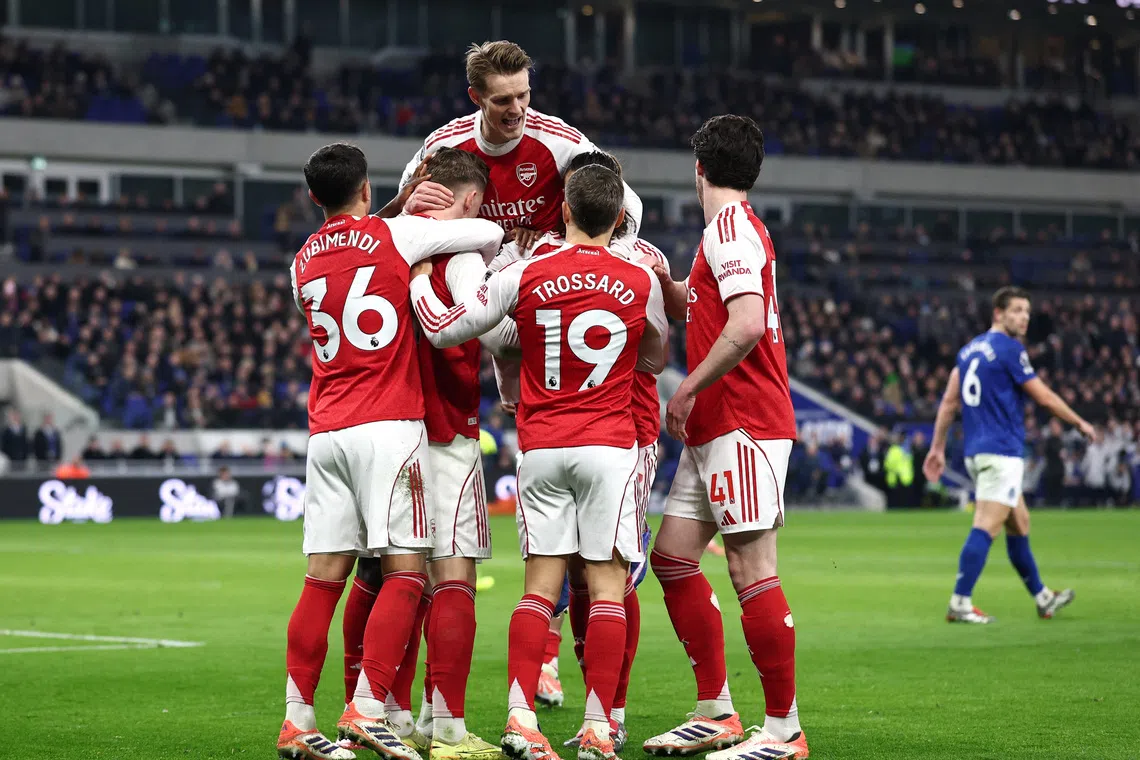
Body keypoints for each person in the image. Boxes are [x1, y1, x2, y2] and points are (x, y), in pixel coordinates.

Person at [410, 164, 667, 760]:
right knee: (605, 589)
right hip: (610, 447)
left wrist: (424, 277)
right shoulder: (640, 278)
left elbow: (448, 331)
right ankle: (601, 727)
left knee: (538, 590)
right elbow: (653, 355)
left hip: (544, 444)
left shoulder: (526, 273)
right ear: (620, 217)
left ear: (566, 211)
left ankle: (520, 719)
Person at [276, 142, 504, 760]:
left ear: (314, 196)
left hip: (325, 429)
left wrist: (400, 207)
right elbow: (480, 230)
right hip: (388, 421)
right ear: (367, 187)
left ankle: (298, 721)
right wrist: (421, 216)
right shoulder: (397, 238)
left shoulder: (300, 263)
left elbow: (347, 254)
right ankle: (369, 706)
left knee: (324, 579)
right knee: (408, 569)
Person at [640, 115, 807, 760]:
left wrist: (683, 388)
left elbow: (744, 326)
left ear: (699, 168)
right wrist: (657, 278)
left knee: (749, 566)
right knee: (675, 557)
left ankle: (784, 729)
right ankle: (716, 711)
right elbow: (707, 307)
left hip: (743, 417)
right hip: (718, 422)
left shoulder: (732, 228)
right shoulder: (723, 232)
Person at [923, 286, 1094, 625]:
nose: (1024, 317)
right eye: (1016, 310)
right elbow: (1043, 397)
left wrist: (938, 447)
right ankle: (960, 601)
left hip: (977, 452)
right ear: (998, 313)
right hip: (1000, 452)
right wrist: (1078, 421)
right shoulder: (1009, 349)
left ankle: (1044, 598)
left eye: (1027, 311)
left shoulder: (969, 350)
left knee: (1020, 522)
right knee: (986, 525)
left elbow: (949, 402)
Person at [399, 40, 642, 250]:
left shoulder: (560, 141)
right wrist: (407, 206)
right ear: (475, 97)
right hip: (468, 272)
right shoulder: (445, 143)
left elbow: (629, 202)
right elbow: (401, 206)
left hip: (540, 272)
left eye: (522, 95)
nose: (516, 110)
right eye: (503, 100)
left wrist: (618, 253)